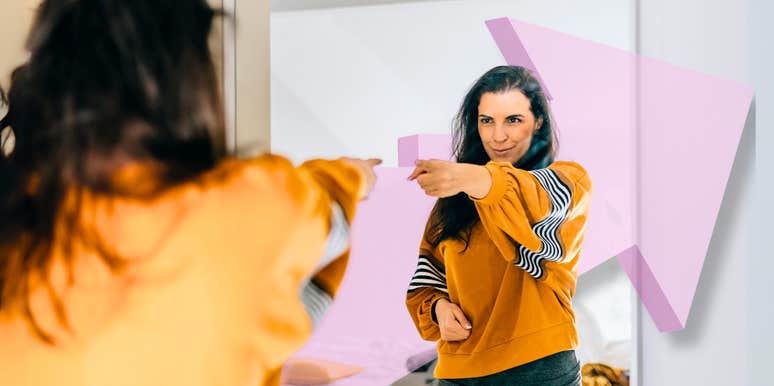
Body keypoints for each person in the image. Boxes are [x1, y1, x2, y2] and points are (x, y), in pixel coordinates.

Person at [0, 1, 379, 385]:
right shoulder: (246, 206)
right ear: (186, 81)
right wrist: (358, 174)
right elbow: (330, 211)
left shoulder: (16, 219)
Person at [406, 65, 591, 386]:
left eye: (513, 120)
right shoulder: (452, 202)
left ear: (539, 122)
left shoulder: (567, 182)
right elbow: (425, 279)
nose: (498, 135)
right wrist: (439, 309)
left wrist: (467, 175)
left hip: (540, 370)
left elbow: (525, 196)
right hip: (458, 373)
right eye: (487, 121)